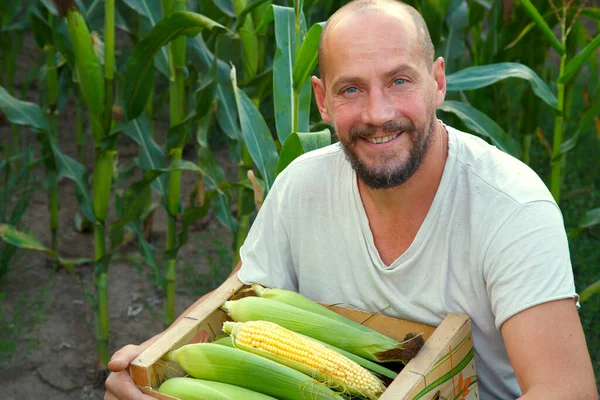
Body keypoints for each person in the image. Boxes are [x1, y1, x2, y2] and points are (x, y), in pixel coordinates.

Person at [105, 0, 598, 399]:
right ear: (322, 100)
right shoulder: (302, 186)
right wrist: (153, 360)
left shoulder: (510, 207)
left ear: (439, 82)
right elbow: (238, 298)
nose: (378, 113)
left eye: (399, 81)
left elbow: (567, 389)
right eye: (351, 89)